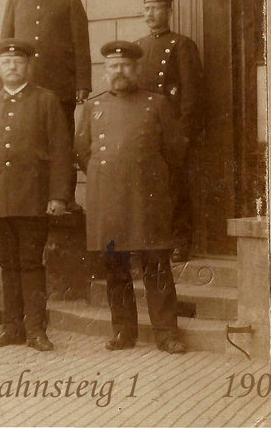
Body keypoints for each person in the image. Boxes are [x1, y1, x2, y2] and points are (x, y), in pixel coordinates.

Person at [77, 41, 189, 354]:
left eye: (126, 66)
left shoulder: (158, 104)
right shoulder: (93, 107)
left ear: (137, 69)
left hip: (146, 198)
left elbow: (175, 151)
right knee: (115, 269)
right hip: (108, 200)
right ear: (105, 71)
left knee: (157, 267)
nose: (120, 71)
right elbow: (82, 151)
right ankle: (124, 331)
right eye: (113, 66)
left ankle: (166, 333)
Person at [0, 39, 75, 352]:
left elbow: (61, 152)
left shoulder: (46, 101)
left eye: (17, 61)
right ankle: (12, 327)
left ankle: (36, 330)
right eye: (5, 62)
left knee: (30, 264)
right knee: (8, 264)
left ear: (28, 66)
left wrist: (58, 196)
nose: (11, 66)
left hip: (32, 199)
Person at [135, 0, 203, 263]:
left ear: (169, 11)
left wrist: (183, 134)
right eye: (146, 9)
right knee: (147, 188)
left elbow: (191, 94)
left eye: (156, 8)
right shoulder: (138, 47)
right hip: (147, 130)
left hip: (173, 132)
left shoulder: (182, 45)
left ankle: (179, 241)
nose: (150, 14)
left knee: (175, 187)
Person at [0, 0, 91, 135]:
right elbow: (5, 47)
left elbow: (81, 44)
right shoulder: (15, 1)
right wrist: (4, 82)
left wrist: (83, 83)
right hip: (25, 85)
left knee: (60, 139)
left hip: (60, 87)